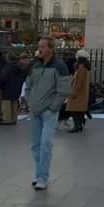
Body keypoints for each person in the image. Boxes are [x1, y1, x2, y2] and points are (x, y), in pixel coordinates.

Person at [24, 37, 71, 190]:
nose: (40, 50)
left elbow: (63, 89)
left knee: (46, 144)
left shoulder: (59, 66)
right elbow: (28, 85)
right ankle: (39, 174)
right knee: (35, 145)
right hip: (35, 110)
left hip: (49, 112)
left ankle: (43, 177)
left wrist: (53, 108)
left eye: (43, 47)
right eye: (39, 47)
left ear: (51, 48)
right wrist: (29, 101)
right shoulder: (35, 65)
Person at [0, 53, 27, 126]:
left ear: (8, 58)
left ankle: (7, 119)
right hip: (16, 87)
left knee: (7, 103)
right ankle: (14, 118)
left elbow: (2, 77)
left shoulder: (7, 67)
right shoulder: (19, 67)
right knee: (14, 103)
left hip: (7, 88)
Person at [67, 51, 90, 133]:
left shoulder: (81, 67)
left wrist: (74, 92)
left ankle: (77, 126)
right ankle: (79, 125)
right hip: (82, 92)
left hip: (78, 92)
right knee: (79, 110)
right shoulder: (85, 66)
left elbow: (79, 81)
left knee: (74, 110)